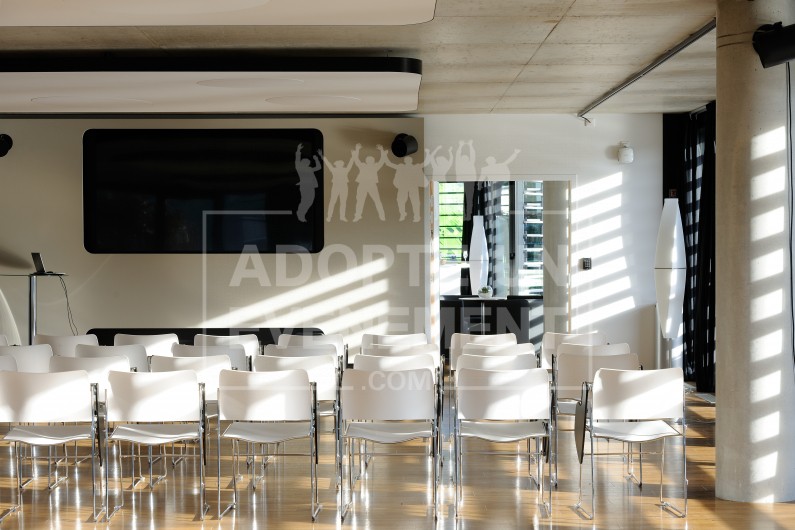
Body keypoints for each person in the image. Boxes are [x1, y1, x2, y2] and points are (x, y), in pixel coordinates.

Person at [382, 146, 426, 222]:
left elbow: (424, 163)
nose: (408, 161)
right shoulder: (401, 167)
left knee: (415, 201)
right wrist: (384, 155)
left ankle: (416, 216)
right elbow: (389, 164)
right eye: (406, 160)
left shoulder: (415, 167)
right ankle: (403, 214)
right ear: (405, 161)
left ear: (411, 161)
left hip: (413, 186)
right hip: (403, 186)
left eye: (409, 160)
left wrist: (430, 155)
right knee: (400, 200)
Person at [351, 143, 387, 222]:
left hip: (372, 185)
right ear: (366, 161)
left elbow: (381, 161)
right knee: (360, 200)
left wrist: (381, 150)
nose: (370, 160)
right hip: (362, 185)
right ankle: (357, 216)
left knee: (377, 200)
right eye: (368, 159)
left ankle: (382, 216)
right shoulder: (362, 166)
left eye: (371, 160)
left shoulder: (375, 166)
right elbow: (356, 160)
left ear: (373, 161)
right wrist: (357, 149)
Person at [320, 149, 354, 222]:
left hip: (344, 186)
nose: (340, 164)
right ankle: (329, 216)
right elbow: (328, 164)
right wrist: (322, 157)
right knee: (332, 201)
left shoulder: (345, 170)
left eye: (341, 163)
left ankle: (342, 217)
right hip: (336, 186)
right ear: (336, 164)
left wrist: (352, 156)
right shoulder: (334, 169)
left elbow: (350, 164)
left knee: (343, 202)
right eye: (339, 163)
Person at [294, 143, 322, 222]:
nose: (307, 163)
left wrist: (316, 159)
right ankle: (300, 214)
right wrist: (298, 150)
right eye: (305, 162)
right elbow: (297, 160)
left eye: (308, 162)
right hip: (305, 186)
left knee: (309, 201)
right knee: (305, 201)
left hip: (311, 186)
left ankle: (301, 213)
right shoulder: (300, 168)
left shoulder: (309, 169)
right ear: (302, 163)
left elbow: (318, 167)